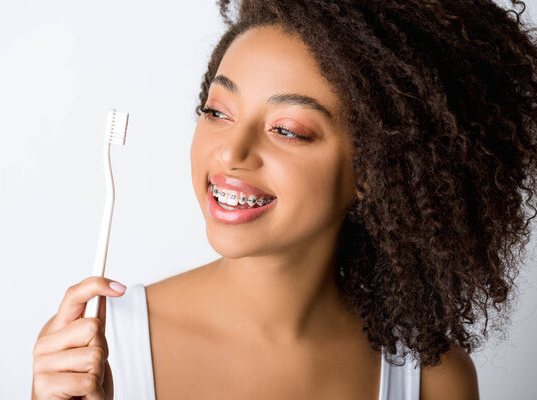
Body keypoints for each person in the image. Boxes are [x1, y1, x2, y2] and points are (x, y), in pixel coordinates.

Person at [32, 0, 537, 399]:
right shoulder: (94, 348)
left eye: (287, 130)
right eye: (217, 111)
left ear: (376, 170)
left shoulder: (432, 380)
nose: (231, 151)